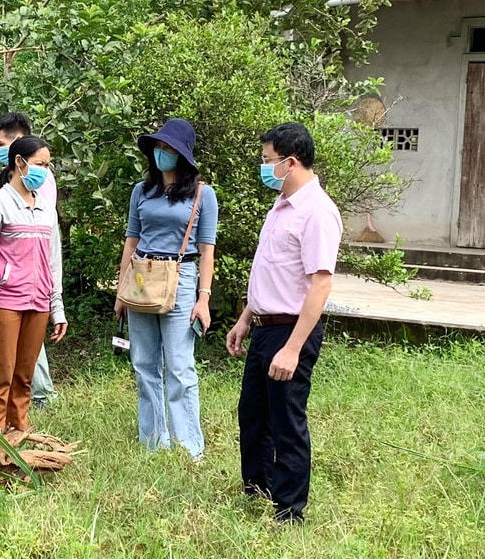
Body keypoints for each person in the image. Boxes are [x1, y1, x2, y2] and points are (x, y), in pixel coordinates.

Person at [225, 121, 343, 523]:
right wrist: (245, 318)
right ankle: (257, 487)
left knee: (287, 419)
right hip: (263, 325)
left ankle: (290, 509)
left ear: (290, 163)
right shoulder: (281, 205)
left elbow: (320, 285)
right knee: (253, 413)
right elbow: (268, 272)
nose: (264, 168)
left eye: (267, 161)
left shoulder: (317, 212)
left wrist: (292, 348)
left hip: (290, 330)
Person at [113, 118, 218, 460]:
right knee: (143, 363)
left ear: (184, 155)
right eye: (158, 147)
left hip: (182, 277)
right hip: (142, 276)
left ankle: (189, 447)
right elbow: (131, 240)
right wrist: (121, 290)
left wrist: (204, 299)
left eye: (169, 148)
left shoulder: (203, 194)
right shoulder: (141, 191)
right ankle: (152, 440)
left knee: (178, 366)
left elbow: (207, 250)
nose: (162, 153)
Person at [0, 135, 68, 432]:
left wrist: (57, 307)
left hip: (39, 304)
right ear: (19, 163)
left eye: (48, 166)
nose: (44, 171)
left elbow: (54, 262)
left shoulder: (47, 208)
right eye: (40, 164)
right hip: (4, 303)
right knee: (2, 377)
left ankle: (19, 437)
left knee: (24, 378)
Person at [0, 112, 58, 409]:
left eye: (2, 143)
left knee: (27, 351)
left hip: (33, 279)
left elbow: (45, 235)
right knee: (8, 363)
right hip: (11, 284)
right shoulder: (3, 188)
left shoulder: (40, 180)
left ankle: (40, 396)